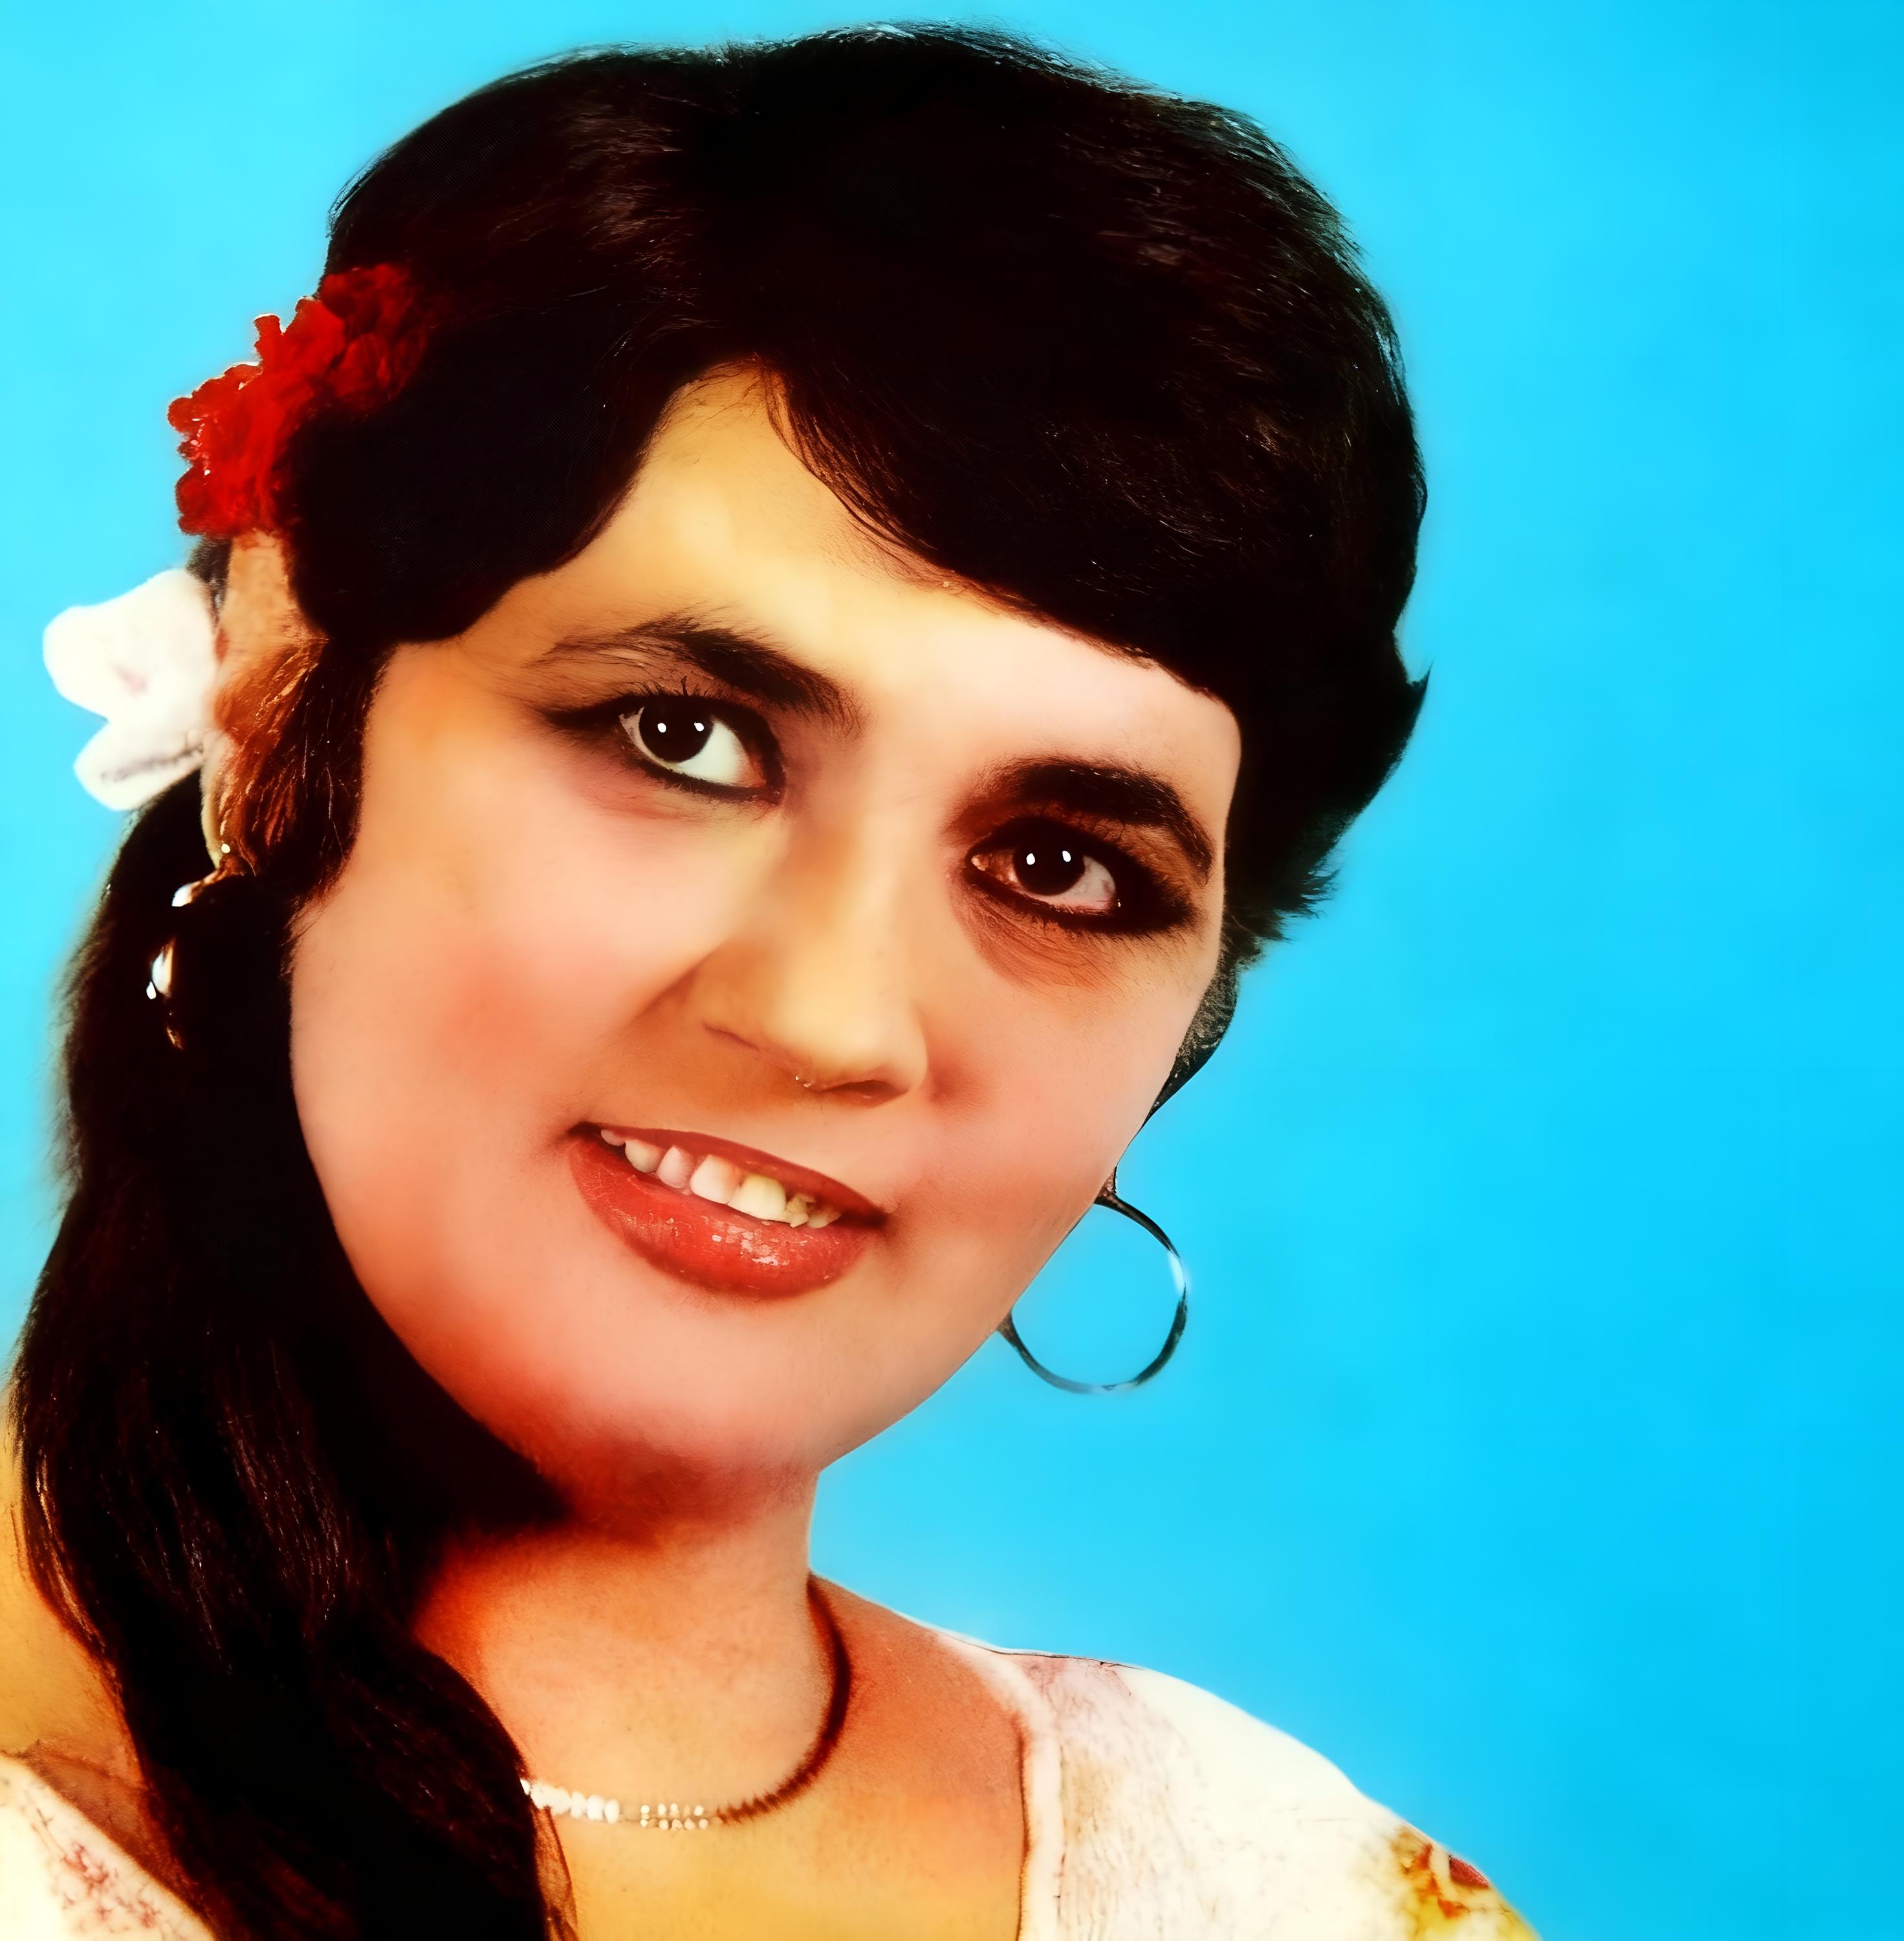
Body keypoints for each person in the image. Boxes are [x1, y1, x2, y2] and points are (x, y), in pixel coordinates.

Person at [0, 25, 1537, 1939]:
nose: (830, 1018)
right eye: (685, 737)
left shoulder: (1280, 1889)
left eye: (1056, 867)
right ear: (276, 696)